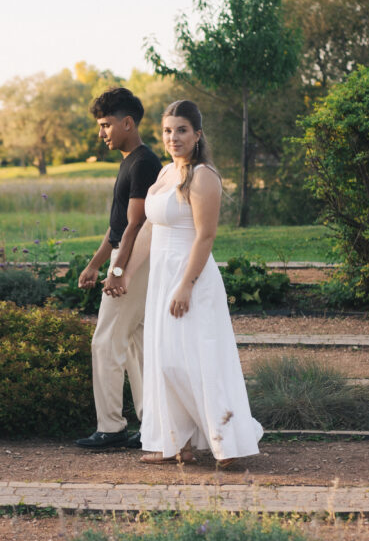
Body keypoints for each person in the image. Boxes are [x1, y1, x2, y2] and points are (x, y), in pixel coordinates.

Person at [122, 100, 263, 466]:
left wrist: (186, 284)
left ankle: (225, 442)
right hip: (161, 278)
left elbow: (205, 237)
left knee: (199, 358)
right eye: (168, 130)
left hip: (191, 277)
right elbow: (150, 231)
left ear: (197, 134)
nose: (174, 137)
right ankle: (177, 441)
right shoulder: (166, 174)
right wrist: (125, 272)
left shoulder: (203, 177)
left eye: (182, 130)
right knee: (166, 360)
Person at [75, 87, 162, 451]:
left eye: (106, 125)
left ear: (128, 123)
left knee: (106, 341)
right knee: (136, 344)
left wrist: (117, 272)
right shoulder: (130, 161)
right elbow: (116, 228)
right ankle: (152, 423)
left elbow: (136, 224)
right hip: (128, 260)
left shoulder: (143, 163)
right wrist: (96, 264)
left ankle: (111, 426)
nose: (102, 133)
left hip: (135, 262)